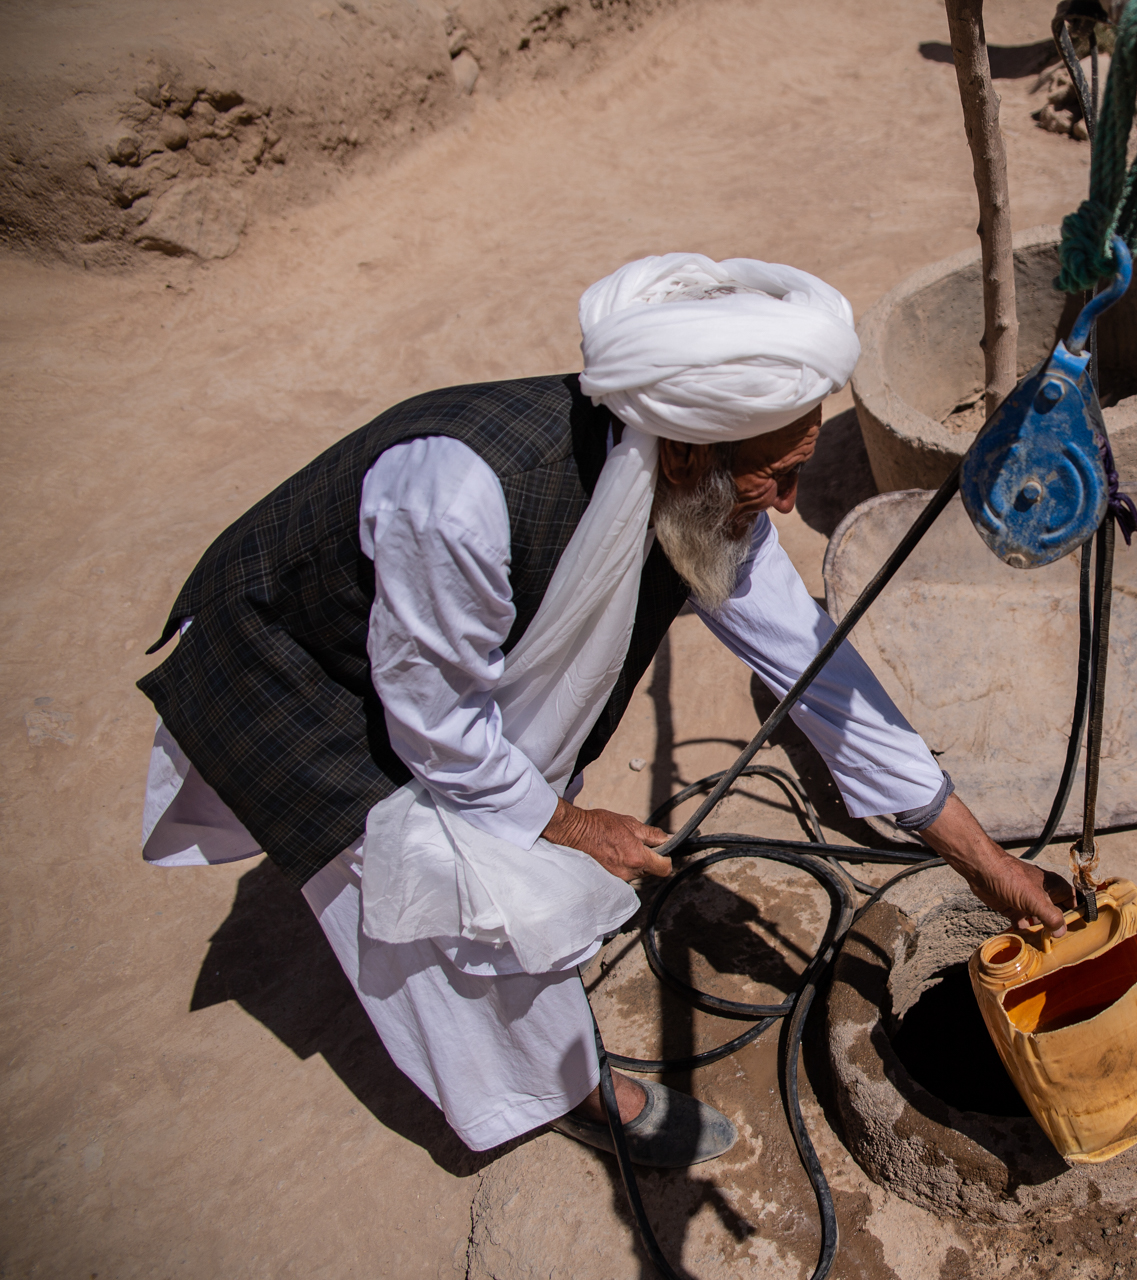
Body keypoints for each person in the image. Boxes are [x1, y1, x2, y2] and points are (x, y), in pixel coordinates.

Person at [138, 253, 1069, 1164]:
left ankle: (551, 1021)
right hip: (297, 668)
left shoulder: (692, 481)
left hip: (424, 670)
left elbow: (817, 674)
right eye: (776, 476)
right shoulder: (463, 499)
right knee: (461, 888)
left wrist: (988, 863)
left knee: (518, 828)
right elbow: (440, 732)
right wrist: (568, 822)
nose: (788, 504)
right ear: (691, 451)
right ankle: (578, 1091)